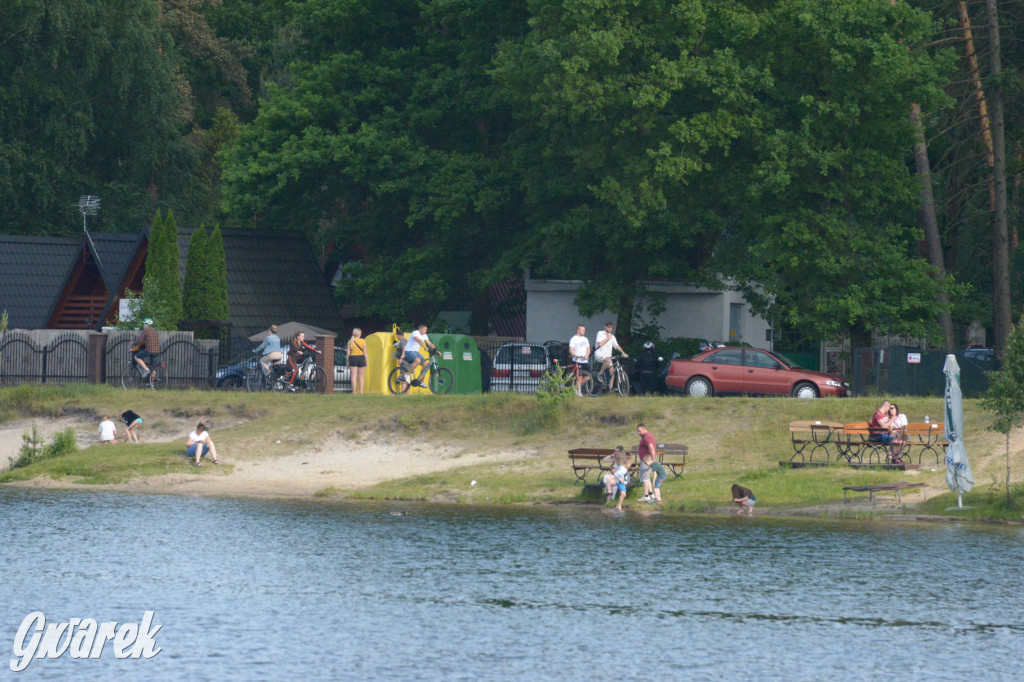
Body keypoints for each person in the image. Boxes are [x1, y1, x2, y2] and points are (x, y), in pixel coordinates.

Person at [593, 322, 628, 391]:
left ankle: (610, 388)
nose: (610, 329)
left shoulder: (612, 337)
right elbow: (599, 344)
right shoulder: (600, 333)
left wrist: (623, 353)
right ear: (605, 327)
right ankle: (600, 373)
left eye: (611, 328)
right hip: (599, 354)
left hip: (608, 356)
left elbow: (617, 346)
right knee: (608, 361)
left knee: (612, 371)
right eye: (609, 327)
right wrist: (607, 338)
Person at [568, 325, 591, 396]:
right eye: (582, 330)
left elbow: (588, 349)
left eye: (584, 330)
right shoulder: (573, 339)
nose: (584, 331)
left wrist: (587, 354)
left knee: (588, 376)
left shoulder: (585, 339)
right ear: (578, 330)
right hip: (577, 360)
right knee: (579, 376)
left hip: (584, 360)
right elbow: (571, 349)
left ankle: (577, 386)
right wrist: (574, 354)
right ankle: (578, 391)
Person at [636, 424, 657, 501]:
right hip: (648, 460)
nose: (638, 433)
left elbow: (651, 448)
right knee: (647, 478)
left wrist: (653, 459)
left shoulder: (646, 438)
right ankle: (651, 494)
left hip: (646, 461)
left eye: (639, 431)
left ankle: (646, 495)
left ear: (644, 429)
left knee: (645, 478)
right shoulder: (650, 435)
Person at [347, 327, 367, 395]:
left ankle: (354, 392)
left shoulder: (350, 341)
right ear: (359, 334)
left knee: (353, 376)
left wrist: (347, 361)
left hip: (353, 358)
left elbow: (348, 353)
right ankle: (361, 392)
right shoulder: (363, 341)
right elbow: (365, 352)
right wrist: (367, 360)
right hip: (361, 358)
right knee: (361, 376)